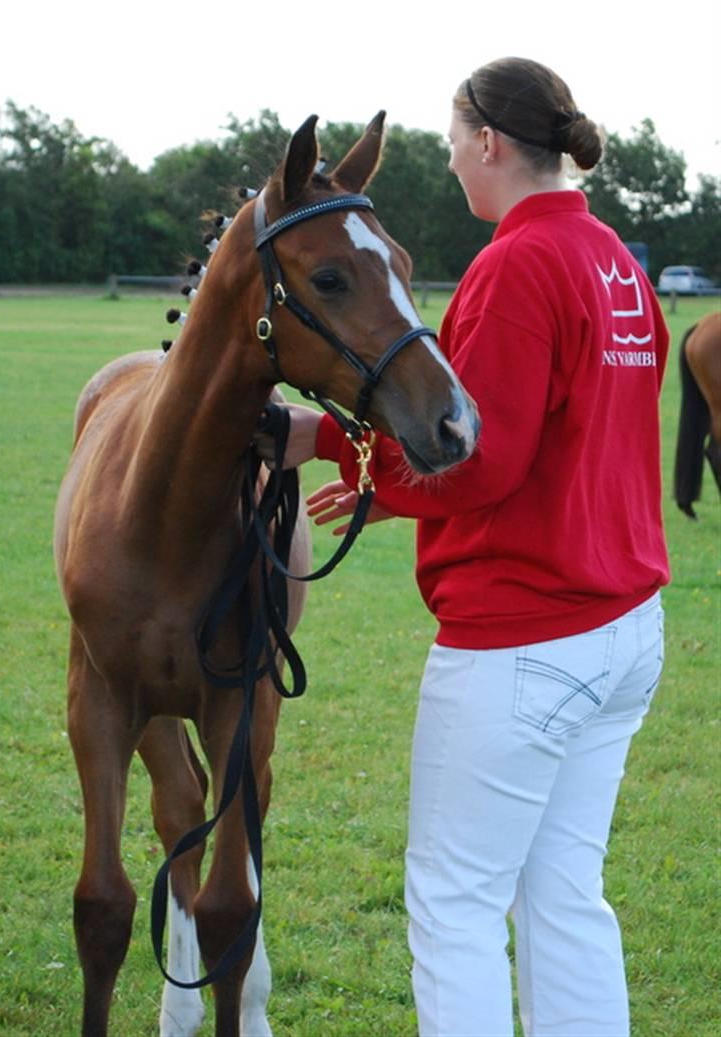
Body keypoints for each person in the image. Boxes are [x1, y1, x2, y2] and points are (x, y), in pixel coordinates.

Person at [255, 56, 670, 1037]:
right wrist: (341, 438)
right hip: (622, 628)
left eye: (451, 147)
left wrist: (366, 477)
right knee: (565, 896)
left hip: (522, 638)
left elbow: (477, 462)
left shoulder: (517, 264)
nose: (450, 167)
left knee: (452, 909)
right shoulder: (612, 257)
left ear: (488, 142)